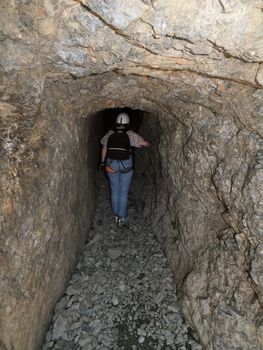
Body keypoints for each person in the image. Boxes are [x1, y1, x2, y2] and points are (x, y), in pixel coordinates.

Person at [100, 112, 150, 227]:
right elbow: (145, 144)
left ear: (116, 123)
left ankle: (116, 215)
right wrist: (148, 143)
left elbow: (104, 147)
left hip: (111, 164)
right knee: (123, 191)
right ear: (128, 123)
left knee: (115, 190)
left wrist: (103, 163)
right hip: (125, 165)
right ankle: (122, 218)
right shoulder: (131, 135)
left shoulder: (110, 134)